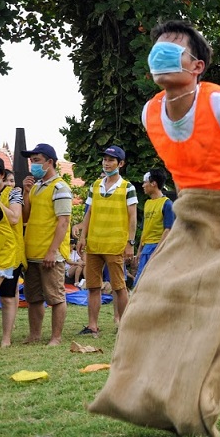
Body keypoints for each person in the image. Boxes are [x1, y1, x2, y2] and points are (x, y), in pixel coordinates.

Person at [88, 19, 220, 437]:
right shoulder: (150, 111)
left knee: (218, 316)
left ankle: (196, 410)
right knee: (148, 302)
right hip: (192, 213)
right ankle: (139, 396)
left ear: (197, 65)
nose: (161, 55)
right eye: (157, 51)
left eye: (173, 50)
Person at [77, 145, 137, 336]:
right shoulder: (95, 186)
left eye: (111, 160)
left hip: (115, 245)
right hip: (94, 244)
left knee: (119, 287)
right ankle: (92, 325)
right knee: (93, 286)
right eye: (104, 159)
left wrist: (130, 243)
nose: (106, 163)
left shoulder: (128, 187)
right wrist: (82, 237)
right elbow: (88, 213)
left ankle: (125, 325)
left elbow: (133, 217)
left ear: (120, 163)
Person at [20, 144, 72, 347]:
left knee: (56, 297)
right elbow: (25, 217)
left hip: (50, 254)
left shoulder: (60, 188)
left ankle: (56, 338)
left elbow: (64, 222)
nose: (33, 164)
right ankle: (34, 335)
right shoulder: (36, 187)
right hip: (32, 252)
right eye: (32, 161)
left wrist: (52, 251)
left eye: (37, 160)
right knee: (33, 298)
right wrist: (26, 192)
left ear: (50, 162)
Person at [0, 156, 26, 347]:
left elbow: (15, 218)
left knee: (7, 297)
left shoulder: (13, 193)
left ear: (0, 175)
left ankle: (5, 339)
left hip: (8, 253)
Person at [133, 168, 174, 287]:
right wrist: (140, 250)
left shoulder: (167, 204)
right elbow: (146, 228)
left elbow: (168, 229)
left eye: (145, 182)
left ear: (153, 183)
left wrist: (157, 250)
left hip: (157, 247)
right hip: (146, 248)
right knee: (141, 283)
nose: (143, 185)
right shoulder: (147, 203)